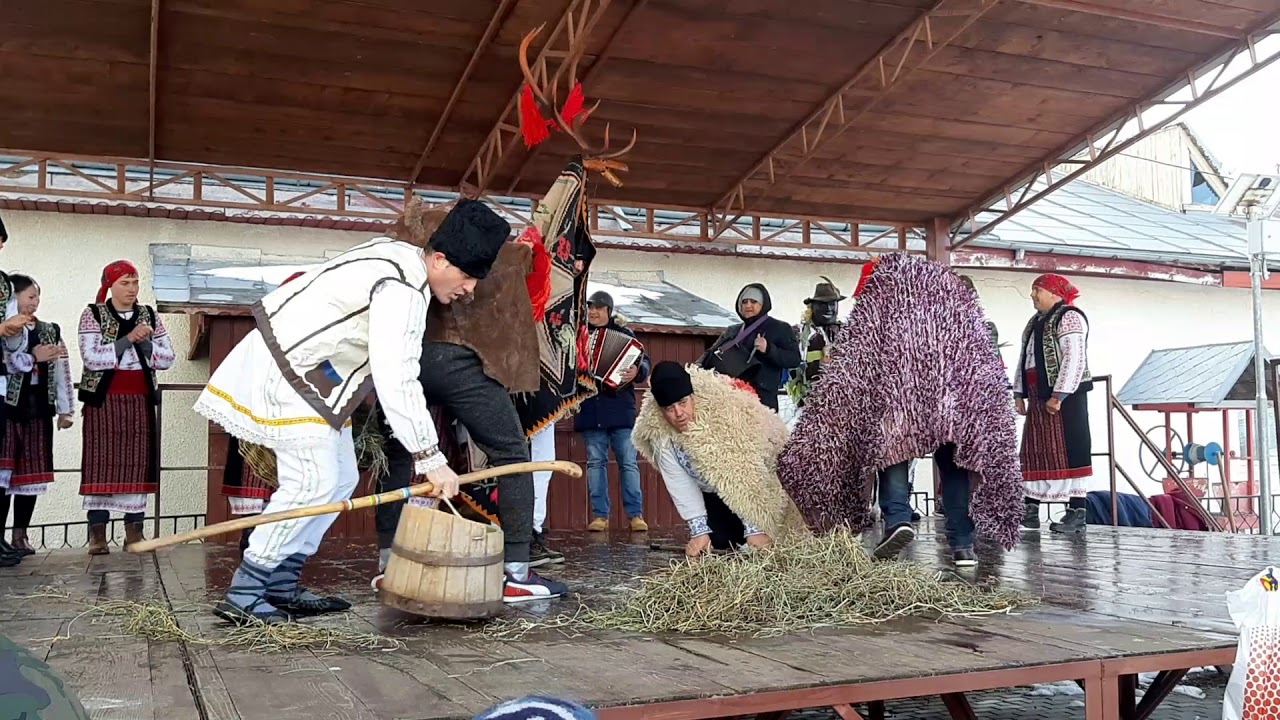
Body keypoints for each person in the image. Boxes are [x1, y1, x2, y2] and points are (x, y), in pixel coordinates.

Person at [192, 199, 508, 625]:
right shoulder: (401, 288)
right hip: (291, 372)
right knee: (312, 483)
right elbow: (396, 375)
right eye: (468, 276)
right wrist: (431, 459)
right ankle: (246, 590)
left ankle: (282, 583)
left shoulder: (398, 257)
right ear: (439, 259)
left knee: (338, 479)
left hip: (316, 381)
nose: (469, 289)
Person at [372, 197, 565, 602]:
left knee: (398, 451)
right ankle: (515, 571)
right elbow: (520, 267)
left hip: (408, 353)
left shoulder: (402, 247)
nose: (469, 288)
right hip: (459, 359)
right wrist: (531, 248)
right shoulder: (500, 257)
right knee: (512, 453)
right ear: (441, 257)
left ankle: (391, 563)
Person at [777, 254, 1024, 566]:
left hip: (900, 406)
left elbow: (856, 364)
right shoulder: (962, 318)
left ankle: (898, 520)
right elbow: (983, 370)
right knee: (955, 467)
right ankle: (963, 545)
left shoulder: (887, 314)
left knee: (892, 454)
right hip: (954, 410)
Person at [514, 159, 599, 559]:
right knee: (512, 456)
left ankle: (532, 530)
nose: (577, 266)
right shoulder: (528, 274)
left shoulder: (567, 298)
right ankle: (517, 532)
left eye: (580, 261)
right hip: (514, 379)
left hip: (543, 385)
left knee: (543, 459)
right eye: (572, 258)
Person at [633, 362, 806, 555]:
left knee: (778, 542)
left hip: (762, 481)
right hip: (714, 490)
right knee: (722, 543)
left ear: (693, 397)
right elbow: (679, 482)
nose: (678, 414)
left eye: (683, 403)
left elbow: (745, 471)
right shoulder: (659, 435)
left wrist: (756, 528)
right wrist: (699, 531)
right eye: (669, 409)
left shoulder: (725, 416)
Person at [78, 261, 176, 555]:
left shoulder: (149, 315)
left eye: (135, 282)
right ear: (110, 285)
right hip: (104, 400)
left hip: (140, 399)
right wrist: (127, 340)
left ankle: (134, 531)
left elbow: (168, 358)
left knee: (137, 463)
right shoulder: (92, 314)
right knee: (100, 462)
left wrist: (146, 347)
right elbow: (92, 357)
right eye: (125, 283)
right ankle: (97, 535)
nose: (132, 289)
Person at [1014, 273, 1094, 535]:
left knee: (1070, 451)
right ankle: (1030, 510)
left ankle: (1076, 512)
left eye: (1037, 289)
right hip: (1039, 394)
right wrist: (1019, 392)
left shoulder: (1069, 316)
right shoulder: (1035, 321)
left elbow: (1074, 358)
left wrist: (1059, 395)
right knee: (1036, 451)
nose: (1033, 295)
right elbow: (1024, 358)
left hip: (1066, 397)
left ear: (1053, 292)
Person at [0, 275, 73, 556]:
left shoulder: (50, 330)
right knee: (4, 476)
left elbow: (62, 371)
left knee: (30, 477)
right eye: (30, 297)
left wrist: (65, 410)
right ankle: (2, 538)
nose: (34, 303)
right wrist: (34, 358)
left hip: (38, 407)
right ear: (13, 298)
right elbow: (7, 363)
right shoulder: (8, 331)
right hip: (9, 407)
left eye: (37, 297)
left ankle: (20, 535)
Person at [575, 290, 650, 533]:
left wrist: (636, 372)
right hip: (590, 409)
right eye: (590, 308)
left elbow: (644, 362)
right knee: (596, 463)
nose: (593, 312)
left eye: (598, 307)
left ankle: (635, 515)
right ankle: (600, 516)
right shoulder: (579, 336)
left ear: (608, 310)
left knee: (628, 463)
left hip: (620, 411)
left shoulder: (626, 335)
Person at [700, 283, 800, 412]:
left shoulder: (780, 328)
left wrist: (769, 349)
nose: (748, 305)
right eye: (744, 302)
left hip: (762, 400)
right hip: (732, 398)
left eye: (753, 301)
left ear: (763, 304)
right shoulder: (732, 331)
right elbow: (711, 354)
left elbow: (794, 359)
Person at [785, 277, 846, 408]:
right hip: (809, 402)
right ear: (812, 307)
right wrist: (819, 365)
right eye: (823, 304)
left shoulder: (847, 333)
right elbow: (792, 369)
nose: (829, 309)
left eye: (832, 304)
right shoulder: (799, 334)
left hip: (842, 404)